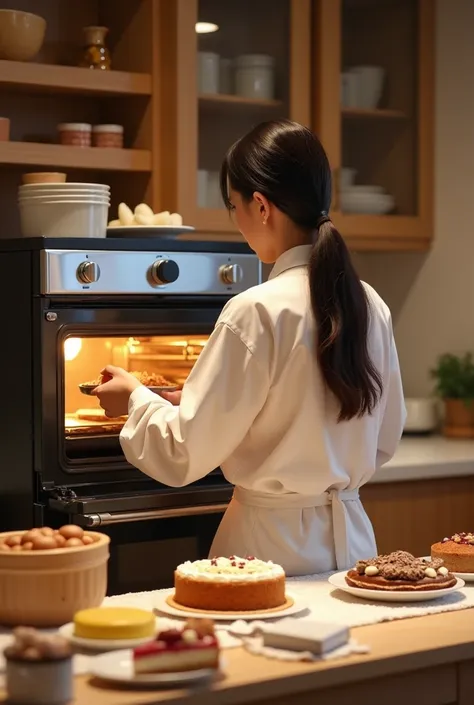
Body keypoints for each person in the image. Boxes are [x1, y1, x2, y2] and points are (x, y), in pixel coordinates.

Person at [93, 119, 406, 576]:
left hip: (266, 553)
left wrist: (133, 398)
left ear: (261, 206)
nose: (235, 221)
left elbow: (184, 452)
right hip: (355, 549)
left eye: (233, 205)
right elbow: (384, 436)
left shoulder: (254, 310)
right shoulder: (369, 303)